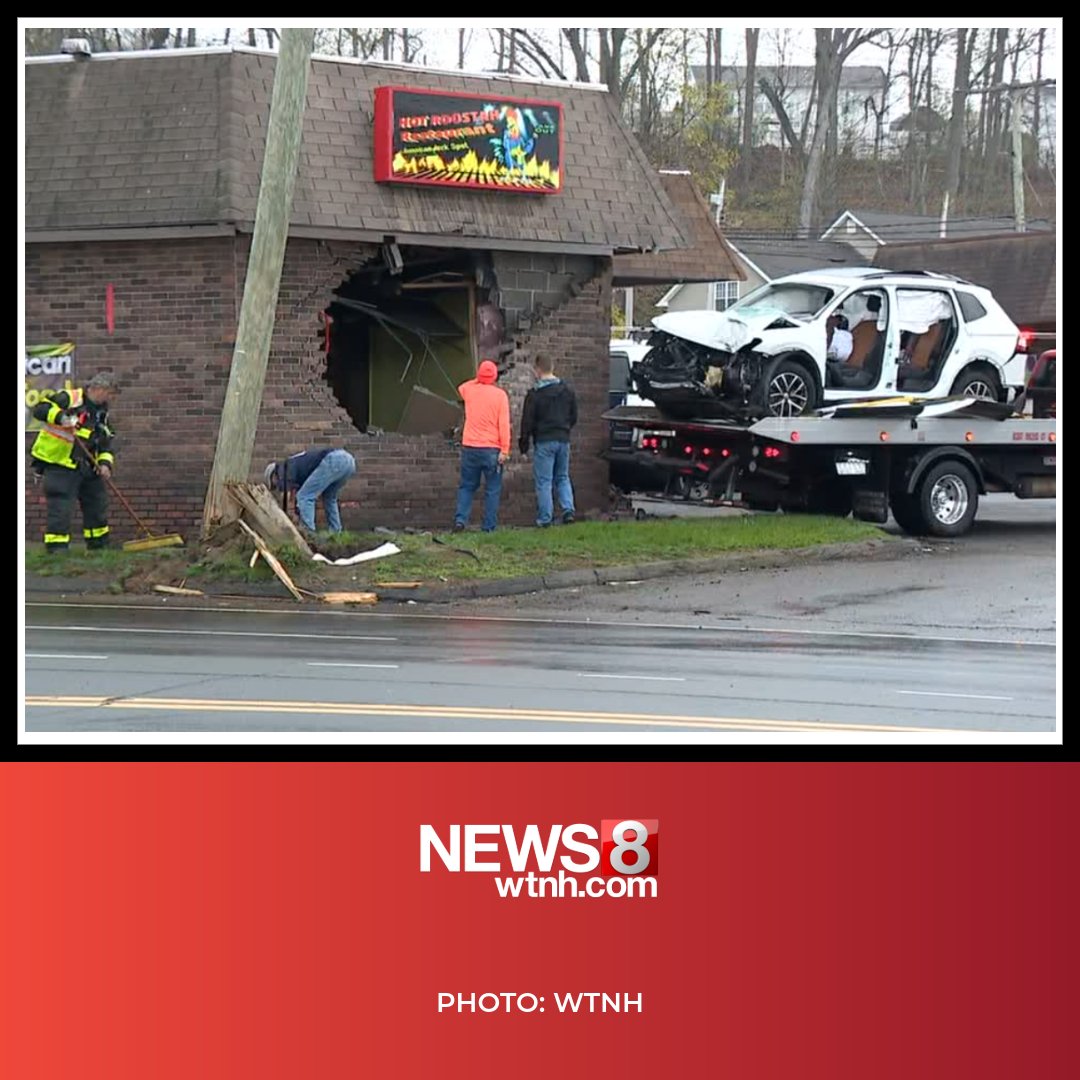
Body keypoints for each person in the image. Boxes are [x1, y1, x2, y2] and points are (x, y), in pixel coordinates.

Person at [29, 371, 117, 553]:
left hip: (87, 466)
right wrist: (62, 418)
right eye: (110, 393)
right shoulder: (71, 398)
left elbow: (106, 444)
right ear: (99, 389)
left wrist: (105, 464)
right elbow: (40, 409)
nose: (111, 398)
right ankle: (57, 549)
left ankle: (98, 546)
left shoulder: (102, 414)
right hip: (60, 464)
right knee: (61, 507)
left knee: (96, 503)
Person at [518, 354, 578, 526]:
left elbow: (527, 422)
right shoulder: (567, 391)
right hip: (563, 439)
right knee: (562, 476)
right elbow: (574, 416)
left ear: (537, 369)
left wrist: (524, 446)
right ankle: (568, 509)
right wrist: (565, 429)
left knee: (544, 481)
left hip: (544, 440)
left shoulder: (534, 395)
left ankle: (545, 519)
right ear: (552, 368)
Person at [454, 359, 510, 533]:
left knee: (467, 486)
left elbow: (461, 387)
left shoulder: (470, 390)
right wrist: (505, 449)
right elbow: (503, 424)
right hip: (492, 449)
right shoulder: (500, 395)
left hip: (470, 446)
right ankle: (488, 526)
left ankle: (460, 520)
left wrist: (478, 379)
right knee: (492, 488)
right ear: (495, 376)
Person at [264, 448, 356, 534]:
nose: (277, 486)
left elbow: (286, 496)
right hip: (348, 461)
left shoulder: (283, 468)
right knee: (329, 498)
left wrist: (285, 515)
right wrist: (295, 513)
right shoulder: (296, 466)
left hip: (334, 460)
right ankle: (336, 532)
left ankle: (309, 533)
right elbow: (295, 497)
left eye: (274, 484)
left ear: (273, 476)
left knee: (304, 497)